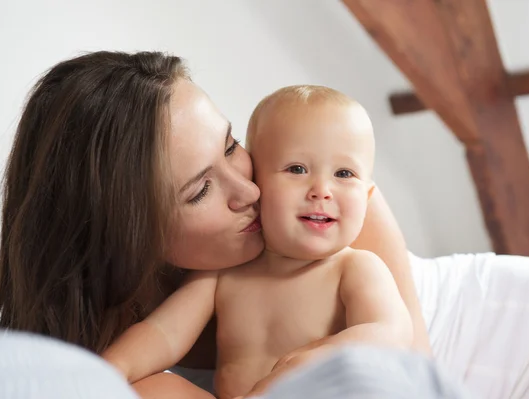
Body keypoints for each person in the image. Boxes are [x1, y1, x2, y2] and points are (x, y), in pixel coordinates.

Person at [0, 51, 430, 398]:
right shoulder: (201, 289)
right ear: (130, 237)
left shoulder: (336, 209)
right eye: (199, 190)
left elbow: (407, 360)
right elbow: (150, 344)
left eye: (231, 146)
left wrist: (317, 360)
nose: (251, 192)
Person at [102, 85, 414, 399]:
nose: (322, 190)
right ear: (257, 182)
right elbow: (164, 333)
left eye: (344, 173)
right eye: (297, 169)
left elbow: (391, 334)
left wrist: (318, 358)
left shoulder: (355, 268)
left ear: (368, 196)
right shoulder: (224, 275)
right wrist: (112, 368)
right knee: (158, 388)